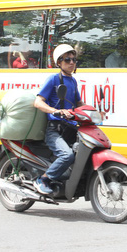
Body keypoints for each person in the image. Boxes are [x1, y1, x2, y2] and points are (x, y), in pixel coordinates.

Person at [32, 44, 81, 194]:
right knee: (67, 155)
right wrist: (56, 111)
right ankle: (43, 179)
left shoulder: (72, 81)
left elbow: (79, 103)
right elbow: (38, 102)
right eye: (67, 59)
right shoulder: (53, 79)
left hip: (70, 129)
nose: (71, 62)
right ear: (59, 62)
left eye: (73, 59)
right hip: (55, 130)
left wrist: (95, 111)